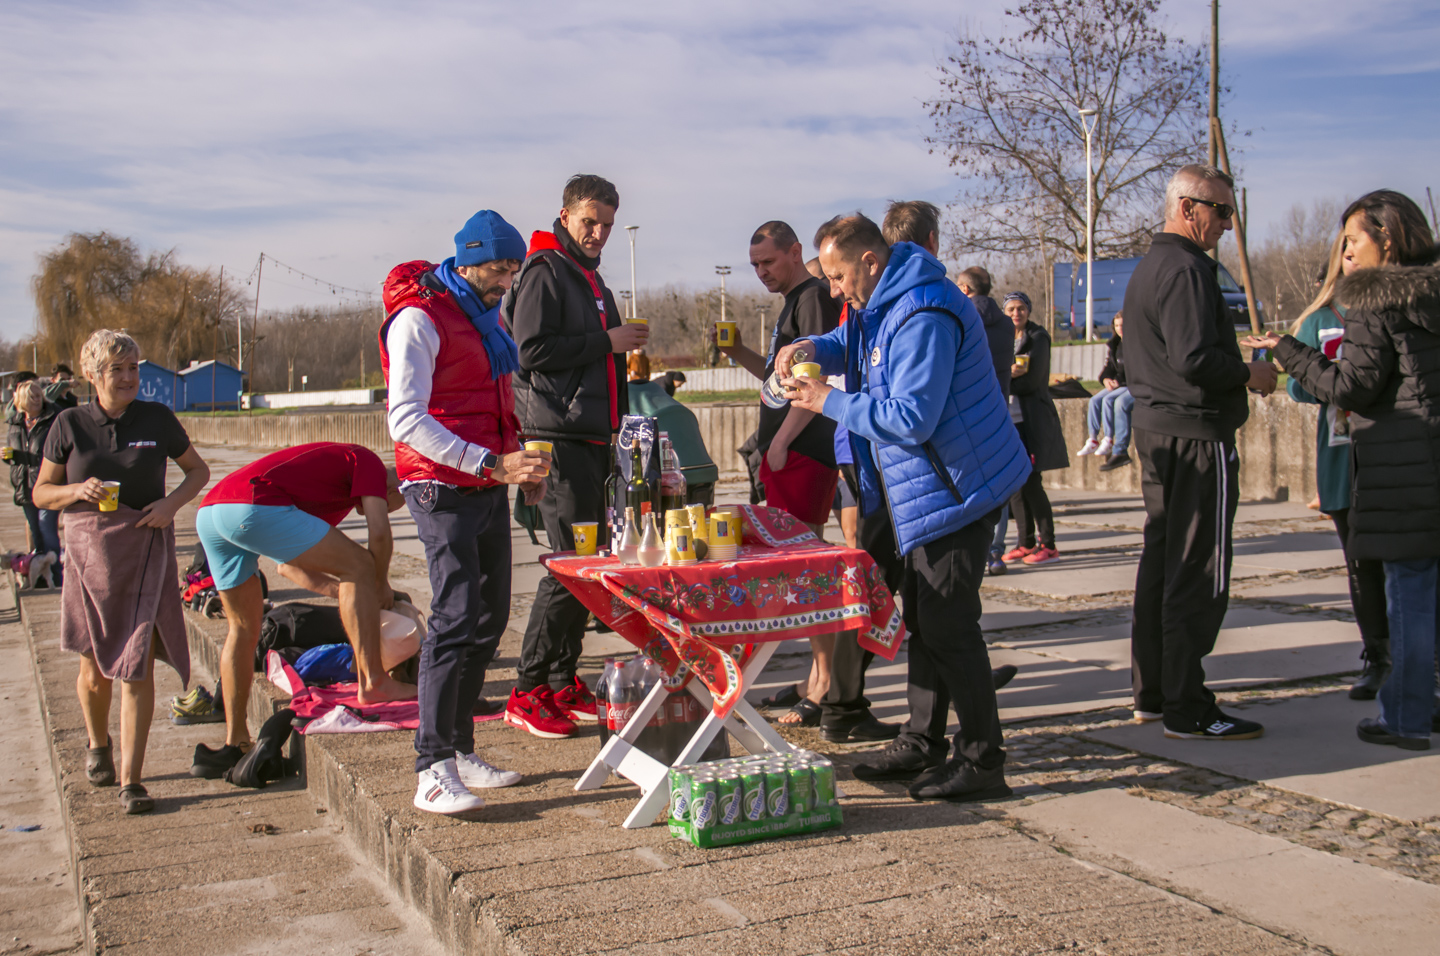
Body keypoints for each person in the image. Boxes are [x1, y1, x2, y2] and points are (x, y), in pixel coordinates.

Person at [780, 214, 1031, 800]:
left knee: (949, 626)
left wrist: (829, 401)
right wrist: (813, 346)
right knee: (923, 616)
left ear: (870, 261)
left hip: (960, 491)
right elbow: (853, 342)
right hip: (927, 490)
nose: (834, 291)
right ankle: (922, 741)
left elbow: (911, 418)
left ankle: (982, 762)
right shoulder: (882, 301)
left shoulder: (922, 312)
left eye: (839, 277)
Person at [1245, 189, 1438, 750]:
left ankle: (1403, 717)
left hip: (1403, 470)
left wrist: (1287, 350)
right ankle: (1428, 703)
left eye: (1353, 239)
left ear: (1388, 239)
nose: (1345, 251)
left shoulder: (1374, 303)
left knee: (1409, 598)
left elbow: (1349, 386)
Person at [382, 210, 550, 814]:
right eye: (499, 269)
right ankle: (430, 767)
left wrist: (516, 466)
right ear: (468, 259)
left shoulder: (483, 316)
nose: (507, 280)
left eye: (513, 269)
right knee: (454, 617)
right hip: (438, 484)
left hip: (484, 479)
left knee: (489, 616)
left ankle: (458, 748)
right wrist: (489, 464)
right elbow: (405, 419)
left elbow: (496, 398)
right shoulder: (419, 319)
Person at [1124, 164, 1277, 741]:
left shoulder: (1154, 266)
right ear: (1188, 208)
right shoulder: (1186, 268)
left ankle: (1156, 694)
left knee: (1163, 565)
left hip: (1163, 430)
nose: (1226, 226)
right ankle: (1187, 703)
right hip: (1194, 437)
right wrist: (1249, 373)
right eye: (1221, 213)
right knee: (1197, 572)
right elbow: (1193, 360)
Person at [33, 330, 210, 814]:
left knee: (136, 664)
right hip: (90, 557)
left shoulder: (157, 418)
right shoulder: (68, 423)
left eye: (133, 368)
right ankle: (97, 745)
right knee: (93, 667)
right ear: (92, 375)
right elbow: (41, 494)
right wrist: (76, 491)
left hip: (145, 549)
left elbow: (198, 471)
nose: (130, 377)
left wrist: (171, 505)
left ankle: (132, 780)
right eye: (118, 369)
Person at [506, 175, 643, 739]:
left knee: (591, 567)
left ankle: (563, 677)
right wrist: (605, 343)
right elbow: (530, 349)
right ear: (564, 216)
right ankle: (527, 687)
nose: (599, 233)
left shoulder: (589, 276)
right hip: (555, 438)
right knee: (569, 568)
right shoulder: (544, 270)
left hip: (591, 435)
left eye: (607, 224)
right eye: (590, 221)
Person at [192, 443, 420, 780]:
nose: (386, 509)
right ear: (395, 487)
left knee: (242, 628)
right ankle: (373, 682)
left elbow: (289, 569)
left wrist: (354, 593)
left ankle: (234, 743)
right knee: (359, 564)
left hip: (212, 512)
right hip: (249, 504)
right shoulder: (370, 463)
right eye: (395, 504)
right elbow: (380, 535)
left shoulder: (323, 495)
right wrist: (378, 584)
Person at [716, 220, 841, 729]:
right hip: (788, 451)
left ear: (795, 252)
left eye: (769, 262)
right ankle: (816, 678)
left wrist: (783, 441)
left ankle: (824, 683)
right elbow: (777, 380)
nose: (762, 272)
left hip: (804, 451)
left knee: (809, 570)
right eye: (754, 266)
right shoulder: (793, 301)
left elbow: (817, 380)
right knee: (799, 568)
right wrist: (740, 353)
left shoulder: (812, 297)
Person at [1281, 242, 1390, 700]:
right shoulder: (1320, 318)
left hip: (1393, 455)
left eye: (1357, 244)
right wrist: (1332, 380)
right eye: (1342, 248)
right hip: (1341, 455)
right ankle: (1379, 655)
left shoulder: (1399, 309)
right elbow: (1295, 385)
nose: (1350, 254)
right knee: (1361, 565)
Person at [956, 266, 1019, 575]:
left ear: (966, 290)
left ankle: (973, 550)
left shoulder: (963, 318)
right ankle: (996, 551)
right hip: (999, 410)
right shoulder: (1006, 325)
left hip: (969, 412)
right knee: (999, 484)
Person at [1001, 291, 1068, 566]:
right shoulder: (1004, 339)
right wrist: (1008, 371)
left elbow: (1032, 382)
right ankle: (1025, 541)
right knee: (1015, 485)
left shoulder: (1038, 338)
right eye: (1011, 309)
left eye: (1021, 309)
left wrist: (1003, 379)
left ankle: (1048, 544)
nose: (1016, 313)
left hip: (1031, 420)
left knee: (1032, 482)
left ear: (1028, 311)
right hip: (1009, 420)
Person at [7, 379, 63, 561]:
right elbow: (15, 455)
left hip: (48, 483)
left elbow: (57, 452)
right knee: (35, 530)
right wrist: (9, 457)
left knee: (46, 526)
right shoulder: (15, 423)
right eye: (32, 396)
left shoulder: (53, 419)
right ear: (22, 400)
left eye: (39, 395)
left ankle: (55, 574)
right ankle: (40, 575)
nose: (37, 399)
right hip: (24, 485)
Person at [1078, 311, 1135, 471]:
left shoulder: (1136, 344)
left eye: (1123, 325)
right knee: (1095, 400)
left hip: (1130, 385)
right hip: (1119, 384)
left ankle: (1110, 440)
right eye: (1117, 326)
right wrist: (1106, 380)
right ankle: (1093, 439)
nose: (1120, 329)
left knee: (1113, 401)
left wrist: (1119, 381)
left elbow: (1137, 371)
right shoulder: (1115, 345)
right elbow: (1108, 368)